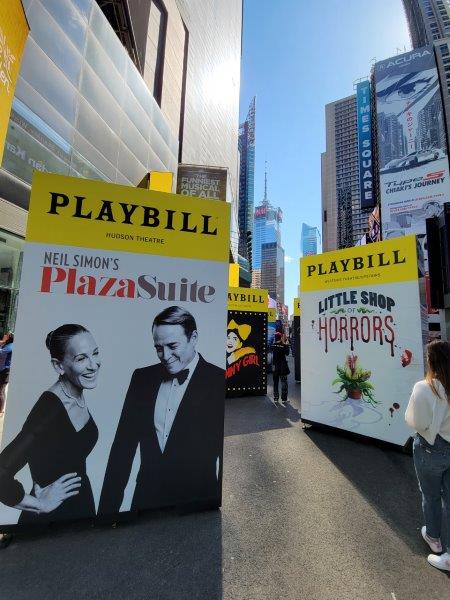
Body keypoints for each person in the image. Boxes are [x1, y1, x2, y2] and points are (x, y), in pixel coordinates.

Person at [98, 306, 225, 515]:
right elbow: (123, 447)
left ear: (193, 338)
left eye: (172, 345)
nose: (165, 355)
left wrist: (213, 504)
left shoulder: (217, 379)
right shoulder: (141, 378)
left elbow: (222, 450)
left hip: (198, 506)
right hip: (146, 502)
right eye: (158, 347)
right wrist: (106, 511)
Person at [0, 324, 101, 523]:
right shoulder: (50, 409)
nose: (94, 365)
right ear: (59, 366)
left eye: (95, 354)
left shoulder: (74, 393)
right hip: (50, 524)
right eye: (81, 358)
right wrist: (40, 505)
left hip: (80, 510)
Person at [405, 340, 450, 571]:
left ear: (431, 361)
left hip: (430, 449)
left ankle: (434, 538)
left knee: (431, 495)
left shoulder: (424, 387)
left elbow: (414, 421)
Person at [271, 331, 290, 404]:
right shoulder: (284, 345)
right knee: (284, 382)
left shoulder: (273, 346)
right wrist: (286, 344)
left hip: (275, 367)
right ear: (281, 337)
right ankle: (284, 399)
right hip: (283, 367)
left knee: (275, 383)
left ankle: (276, 398)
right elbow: (287, 353)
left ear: (275, 338)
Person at [0, 332, 14, 413]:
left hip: (4, 372)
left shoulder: (9, 347)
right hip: (4, 371)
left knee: (0, 391)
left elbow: (1, 353)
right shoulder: (8, 344)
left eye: (6, 334)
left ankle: (0, 410)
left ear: (8, 337)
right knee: (2, 390)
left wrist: (3, 341)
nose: (4, 335)